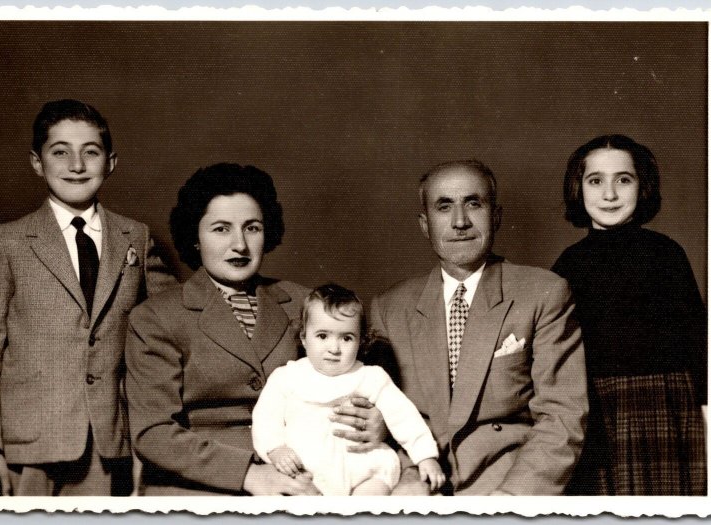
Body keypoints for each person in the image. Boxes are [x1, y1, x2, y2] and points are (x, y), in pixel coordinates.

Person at [124, 163, 385, 495]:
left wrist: (376, 420)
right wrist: (250, 475)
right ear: (193, 236)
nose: (240, 245)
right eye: (221, 229)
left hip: (307, 473)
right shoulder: (156, 317)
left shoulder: (305, 302)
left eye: (252, 228)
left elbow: (358, 379)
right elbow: (154, 433)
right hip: (197, 486)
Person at [0, 99, 175, 496]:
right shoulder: (7, 242)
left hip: (108, 443)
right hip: (22, 447)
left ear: (110, 163)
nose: (76, 165)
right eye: (60, 152)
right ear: (37, 162)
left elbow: (172, 327)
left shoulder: (137, 238)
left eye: (90, 153)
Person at [370, 159, 588, 495]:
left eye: (474, 203)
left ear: (496, 216)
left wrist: (511, 502)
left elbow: (562, 419)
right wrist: (410, 483)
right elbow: (381, 421)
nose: (460, 222)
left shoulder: (543, 292)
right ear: (425, 224)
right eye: (444, 207)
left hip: (509, 486)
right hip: (417, 489)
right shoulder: (389, 307)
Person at [552, 134, 706, 495]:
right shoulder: (567, 266)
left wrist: (707, 413)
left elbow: (698, 340)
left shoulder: (666, 254)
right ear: (579, 188)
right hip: (597, 414)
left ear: (643, 186)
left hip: (665, 405)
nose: (609, 195)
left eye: (623, 179)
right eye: (596, 181)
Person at [252, 284, 445, 496]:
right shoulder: (286, 377)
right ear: (304, 338)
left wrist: (426, 456)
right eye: (323, 336)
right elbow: (265, 418)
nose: (334, 348)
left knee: (370, 502)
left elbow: (403, 415)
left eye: (346, 338)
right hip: (306, 470)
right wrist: (275, 449)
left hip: (364, 469)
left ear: (361, 341)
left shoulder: (371, 377)